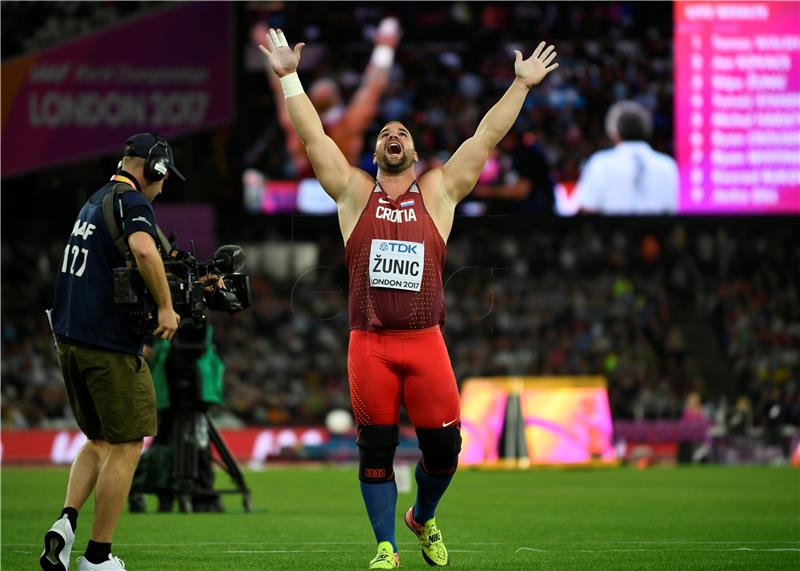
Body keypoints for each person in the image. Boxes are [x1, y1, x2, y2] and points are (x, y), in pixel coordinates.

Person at [259, 28, 558, 569]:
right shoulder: (352, 192)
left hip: (425, 342)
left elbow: (485, 138)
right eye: (385, 133)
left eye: (402, 132)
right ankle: (386, 547)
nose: (393, 135)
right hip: (369, 343)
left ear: (415, 152)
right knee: (376, 451)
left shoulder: (439, 192)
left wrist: (520, 86)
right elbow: (313, 140)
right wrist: (289, 79)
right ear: (375, 152)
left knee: (444, 452)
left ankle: (421, 516)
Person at [40, 133, 183, 571]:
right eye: (164, 176)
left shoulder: (96, 200)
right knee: (127, 444)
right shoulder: (133, 202)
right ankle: (97, 558)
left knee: (98, 439)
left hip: (70, 341)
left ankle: (66, 523)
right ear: (153, 168)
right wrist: (165, 306)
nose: (164, 185)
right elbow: (141, 247)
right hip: (107, 345)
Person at [255, 17, 401, 178]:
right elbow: (372, 88)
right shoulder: (346, 125)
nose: (324, 88)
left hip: (335, 188)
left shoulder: (343, 126)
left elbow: (280, 89)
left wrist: (385, 49)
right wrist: (385, 49)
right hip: (329, 188)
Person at [575, 100, 678, 214]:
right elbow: (678, 211)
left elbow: (585, 210)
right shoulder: (667, 165)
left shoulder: (600, 164)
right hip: (659, 231)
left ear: (614, 133)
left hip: (612, 231)